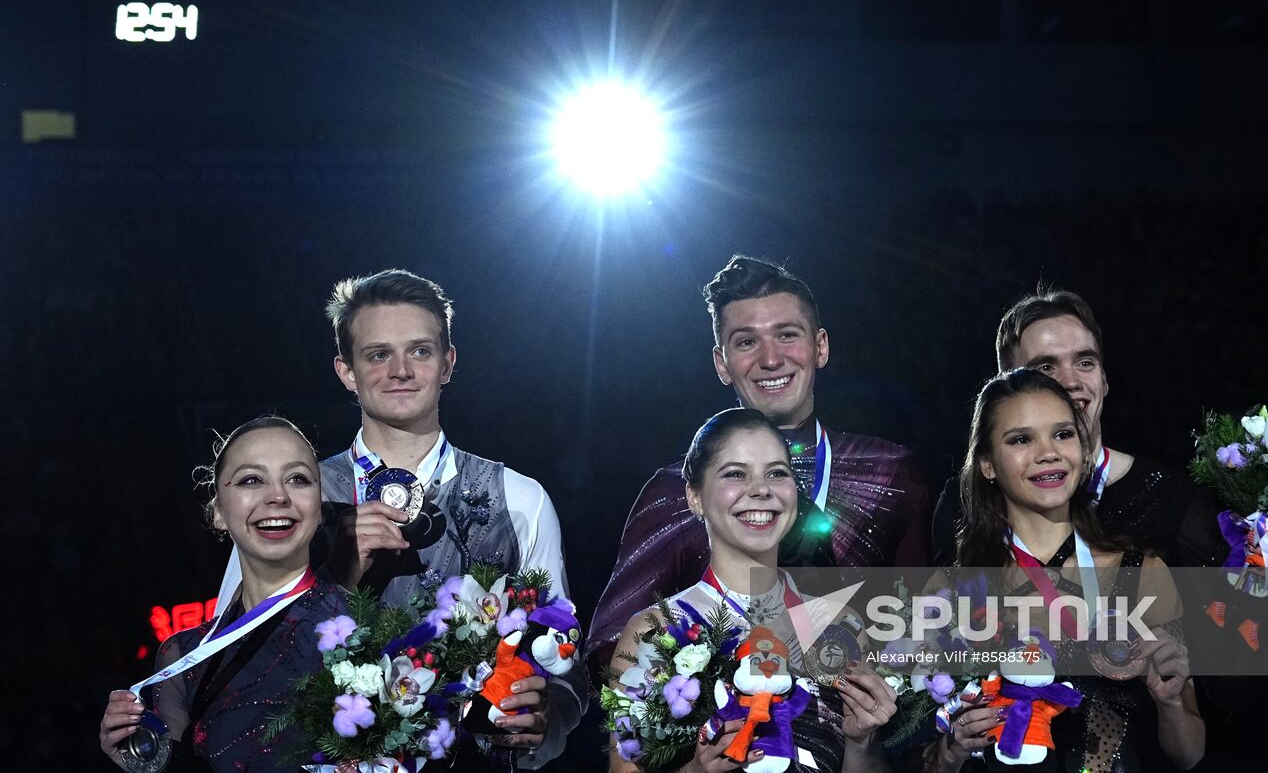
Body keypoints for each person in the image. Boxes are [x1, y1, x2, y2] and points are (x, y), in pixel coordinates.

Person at [213, 269, 582, 767]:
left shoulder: (519, 499)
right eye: (378, 354)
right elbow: (229, 662)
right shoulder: (294, 499)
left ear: (448, 363)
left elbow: (561, 658)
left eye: (421, 351)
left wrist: (546, 719)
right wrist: (333, 579)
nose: (401, 370)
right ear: (346, 371)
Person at [589, 255, 930, 670]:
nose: (770, 359)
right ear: (722, 363)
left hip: (860, 728)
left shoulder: (890, 472)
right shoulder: (674, 490)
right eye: (747, 341)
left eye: (787, 335)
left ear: (820, 346)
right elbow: (611, 649)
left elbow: (920, 643)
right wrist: (699, 711)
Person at [931, 288, 1268, 640]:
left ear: (1105, 380)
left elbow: (1226, 667)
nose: (1070, 381)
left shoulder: (1172, 501)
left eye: (1085, 362)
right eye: (1045, 368)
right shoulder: (963, 505)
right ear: (1005, 389)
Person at [925, 370, 1204, 773]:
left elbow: (1190, 753)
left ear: (1083, 448)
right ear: (987, 463)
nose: (1048, 452)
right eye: (1021, 439)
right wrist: (950, 751)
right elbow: (919, 759)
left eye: (1063, 434)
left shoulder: (1142, 572)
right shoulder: (952, 590)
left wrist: (1171, 703)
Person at [609, 408, 897, 773]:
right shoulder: (654, 631)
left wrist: (860, 744)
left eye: (777, 473)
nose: (761, 489)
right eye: (735, 474)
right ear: (694, 495)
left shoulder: (840, 624)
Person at [100, 416, 345, 772]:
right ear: (218, 512)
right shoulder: (183, 657)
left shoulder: (372, 626)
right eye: (251, 480)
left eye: (298, 479)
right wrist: (137, 757)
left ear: (319, 509)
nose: (277, 496)